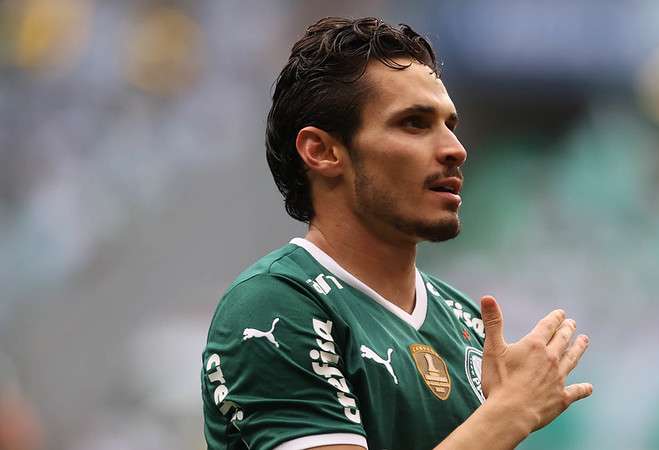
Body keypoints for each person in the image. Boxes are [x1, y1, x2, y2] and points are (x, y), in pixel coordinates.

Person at [201, 16, 592, 450]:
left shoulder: (464, 322)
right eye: (414, 124)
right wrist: (508, 413)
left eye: (450, 125)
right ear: (322, 151)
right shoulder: (276, 302)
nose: (455, 149)